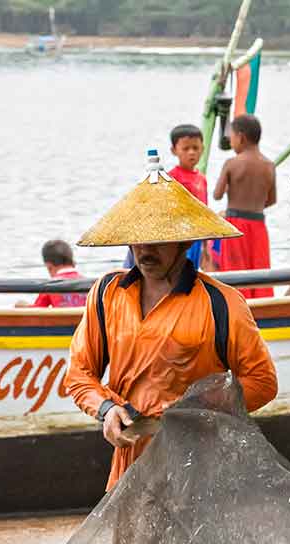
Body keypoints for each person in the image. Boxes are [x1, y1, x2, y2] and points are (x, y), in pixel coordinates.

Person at [65, 153, 276, 491]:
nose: (145, 250)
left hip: (202, 467)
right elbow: (79, 374)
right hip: (129, 469)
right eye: (138, 239)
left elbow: (262, 382)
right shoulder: (107, 294)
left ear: (186, 241)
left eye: (158, 241)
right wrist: (106, 410)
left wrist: (195, 410)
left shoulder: (222, 303)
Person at [213, 114, 276, 298]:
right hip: (258, 225)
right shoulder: (269, 165)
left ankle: (239, 312)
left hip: (235, 225)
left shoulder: (232, 163)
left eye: (231, 137)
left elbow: (217, 195)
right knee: (260, 271)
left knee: (236, 274)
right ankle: (263, 310)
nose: (230, 141)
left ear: (240, 137)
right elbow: (271, 200)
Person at [167, 123, 210, 268]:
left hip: (198, 235)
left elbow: (205, 210)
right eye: (186, 149)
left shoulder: (201, 178)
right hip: (180, 237)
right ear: (174, 150)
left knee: (194, 271)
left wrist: (206, 244)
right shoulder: (171, 178)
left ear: (202, 149)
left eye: (195, 148)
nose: (191, 152)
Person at [18, 239, 87, 308]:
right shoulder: (89, 284)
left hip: (61, 318)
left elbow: (36, 312)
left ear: (49, 266)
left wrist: (23, 305)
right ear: (73, 263)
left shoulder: (49, 286)